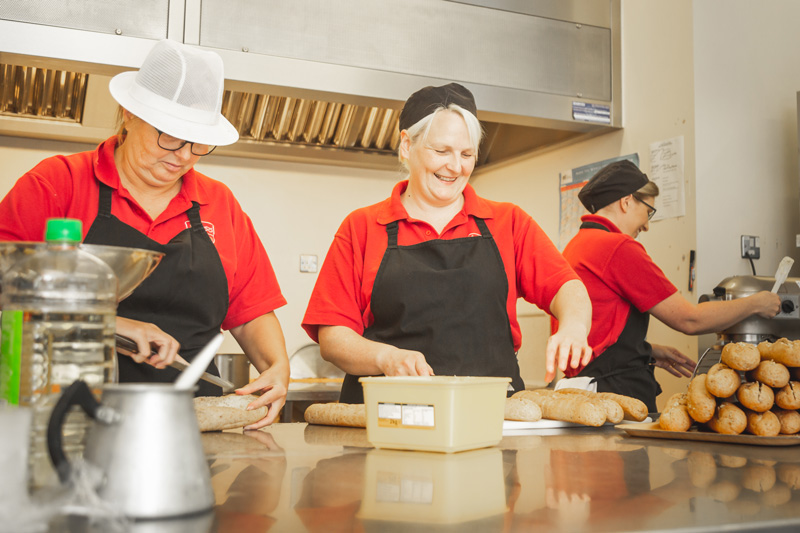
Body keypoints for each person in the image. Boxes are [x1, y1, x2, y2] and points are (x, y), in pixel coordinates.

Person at [0, 40, 289, 428]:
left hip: (192, 423)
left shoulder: (219, 203)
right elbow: (7, 288)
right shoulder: (58, 184)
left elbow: (251, 311)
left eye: (199, 143)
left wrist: (276, 368)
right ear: (128, 114)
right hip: (67, 418)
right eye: (169, 135)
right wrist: (112, 324)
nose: (184, 155)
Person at [301, 82, 592, 403]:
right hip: (386, 416)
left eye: (467, 154)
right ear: (407, 145)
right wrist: (385, 358)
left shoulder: (508, 221)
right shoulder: (362, 227)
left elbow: (567, 287)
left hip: (488, 415)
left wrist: (574, 327)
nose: (455, 167)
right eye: (441, 151)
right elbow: (332, 336)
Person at [554, 159, 780, 412]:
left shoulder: (577, 246)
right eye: (649, 211)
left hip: (585, 393)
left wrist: (645, 351)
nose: (647, 225)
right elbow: (690, 320)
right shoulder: (617, 248)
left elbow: (598, 326)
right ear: (626, 201)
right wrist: (757, 303)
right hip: (615, 393)